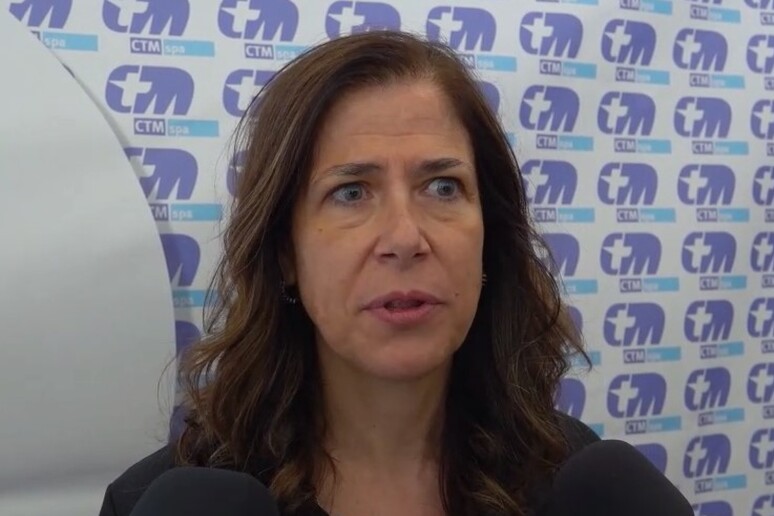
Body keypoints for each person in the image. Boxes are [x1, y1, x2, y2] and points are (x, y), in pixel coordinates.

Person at [99, 31, 597, 516]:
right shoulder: (166, 502)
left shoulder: (571, 482)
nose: (406, 238)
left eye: (443, 187)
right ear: (285, 253)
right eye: (351, 192)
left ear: (490, 235)